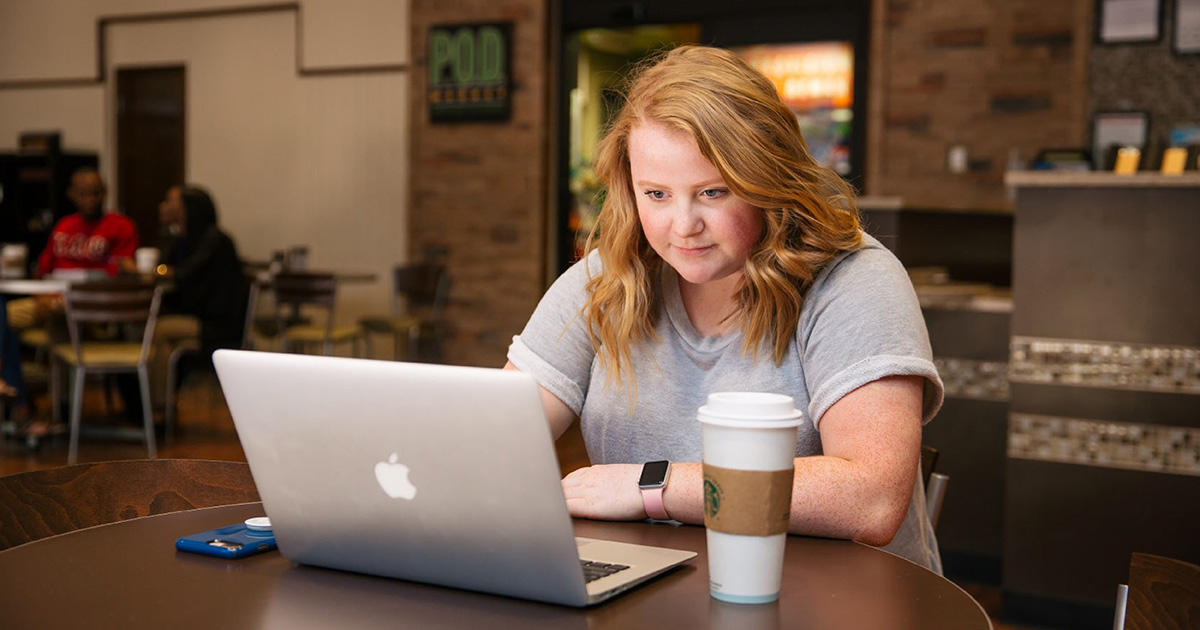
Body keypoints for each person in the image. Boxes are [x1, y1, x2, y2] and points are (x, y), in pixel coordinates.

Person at [504, 46, 945, 572]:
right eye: (657, 194)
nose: (682, 225)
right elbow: (497, 432)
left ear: (767, 183)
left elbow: (870, 498)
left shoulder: (853, 281)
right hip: (665, 589)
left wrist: (655, 484)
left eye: (712, 192)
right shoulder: (610, 277)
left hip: (835, 599)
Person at [159, 185, 248, 367]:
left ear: (188, 208)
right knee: (143, 328)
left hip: (216, 323)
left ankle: (157, 394)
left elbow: (185, 274)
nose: (163, 207)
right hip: (193, 313)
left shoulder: (215, 240)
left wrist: (157, 272)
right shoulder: (180, 239)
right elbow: (167, 268)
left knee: (157, 331)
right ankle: (155, 391)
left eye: (172, 202)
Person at [36, 168, 138, 277]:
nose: (90, 200)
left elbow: (122, 270)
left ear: (104, 192)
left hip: (102, 290)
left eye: (96, 193)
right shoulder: (63, 225)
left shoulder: (121, 225)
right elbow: (43, 268)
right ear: (71, 194)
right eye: (82, 194)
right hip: (60, 289)